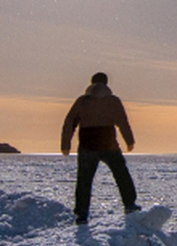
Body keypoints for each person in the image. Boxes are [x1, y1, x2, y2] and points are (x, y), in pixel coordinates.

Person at [60, 71, 139, 224]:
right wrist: (129, 141)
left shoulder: (82, 101)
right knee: (122, 174)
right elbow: (123, 122)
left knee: (84, 179)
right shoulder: (113, 101)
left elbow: (69, 122)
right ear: (106, 83)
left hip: (87, 144)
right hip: (108, 144)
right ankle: (129, 205)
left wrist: (65, 145)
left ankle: (81, 214)